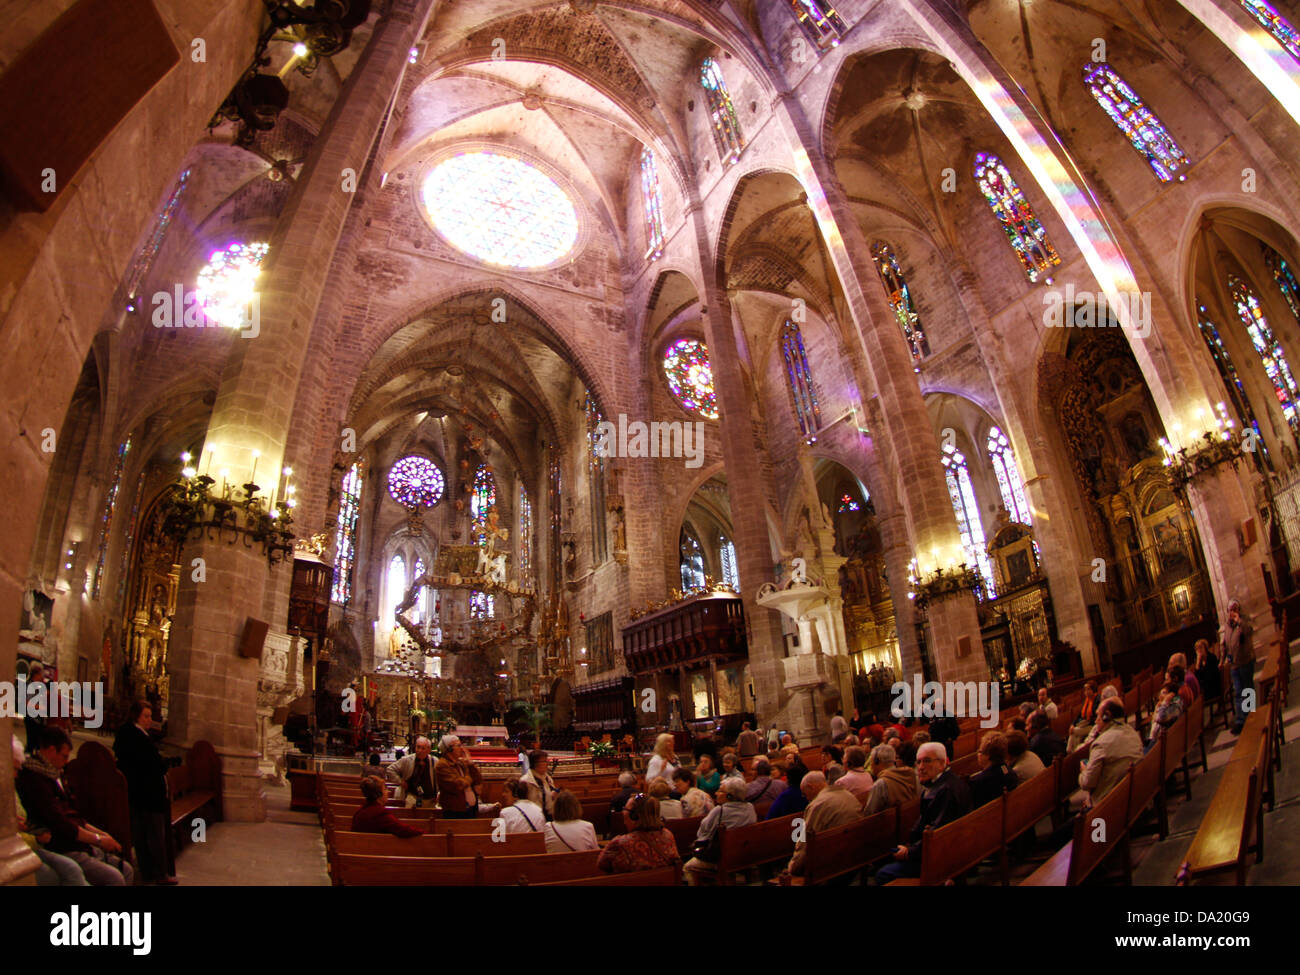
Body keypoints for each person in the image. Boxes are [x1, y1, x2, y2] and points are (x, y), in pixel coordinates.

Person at [16, 728, 133, 885]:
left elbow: (75, 815)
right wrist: (98, 840)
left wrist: (103, 835)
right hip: (62, 845)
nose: (66, 762)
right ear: (51, 751)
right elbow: (60, 823)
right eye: (64, 756)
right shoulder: (33, 779)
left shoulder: (54, 774)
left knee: (126, 869)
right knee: (113, 878)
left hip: (78, 842)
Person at [874, 742, 972, 884]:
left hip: (941, 857)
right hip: (946, 849)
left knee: (883, 874)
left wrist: (909, 852)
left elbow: (936, 832)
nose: (920, 767)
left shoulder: (945, 791)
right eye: (918, 762)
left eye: (927, 761)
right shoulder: (948, 783)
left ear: (943, 763)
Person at [112, 700, 175, 884]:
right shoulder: (136, 736)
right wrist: (164, 764)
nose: (149, 720)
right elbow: (152, 763)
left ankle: (149, 873)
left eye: (150, 716)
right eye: (146, 716)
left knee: (143, 835)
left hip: (139, 793)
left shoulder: (132, 734)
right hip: (147, 794)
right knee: (154, 835)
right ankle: (158, 874)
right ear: (136, 716)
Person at [12, 738, 87, 886]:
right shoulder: (34, 779)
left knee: (71, 868)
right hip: (22, 847)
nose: (16, 775)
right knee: (53, 876)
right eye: (14, 769)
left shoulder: (14, 787)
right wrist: (35, 837)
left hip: (33, 842)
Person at [784, 770, 864, 878]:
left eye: (805, 794)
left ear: (810, 787)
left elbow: (805, 842)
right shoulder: (847, 794)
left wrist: (793, 867)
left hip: (832, 863)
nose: (806, 798)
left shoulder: (817, 805)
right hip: (856, 854)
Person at [683, 777, 756, 885]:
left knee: (687, 867)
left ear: (729, 795)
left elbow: (702, 834)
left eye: (720, 791)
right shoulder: (750, 807)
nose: (716, 793)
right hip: (745, 854)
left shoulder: (719, 811)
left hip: (723, 859)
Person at [1078, 700, 1142, 809]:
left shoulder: (1100, 744)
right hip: (1134, 795)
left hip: (1110, 807)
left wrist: (1083, 771)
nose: (1096, 720)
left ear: (1106, 716)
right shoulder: (1132, 732)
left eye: (1098, 715)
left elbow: (1087, 783)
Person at [597, 795, 681, 873]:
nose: (623, 812)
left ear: (634, 816)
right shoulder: (667, 835)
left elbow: (601, 865)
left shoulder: (620, 843)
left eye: (625, 809)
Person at [1222, 598, 1255, 734]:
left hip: (1245, 661)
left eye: (1235, 609)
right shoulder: (1228, 626)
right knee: (1238, 692)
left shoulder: (1244, 621)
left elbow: (1248, 631)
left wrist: (1239, 621)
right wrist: (1223, 658)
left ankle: (1251, 716)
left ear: (1238, 610)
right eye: (1230, 610)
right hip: (1234, 663)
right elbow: (1226, 642)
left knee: (1248, 689)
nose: (1232, 612)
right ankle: (1241, 720)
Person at [351, 776, 424, 837]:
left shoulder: (361, 810)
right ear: (379, 794)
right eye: (385, 789)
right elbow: (402, 829)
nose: (387, 792)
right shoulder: (380, 813)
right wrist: (423, 832)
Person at [434, 735, 482, 818]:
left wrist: (470, 764)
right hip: (455, 811)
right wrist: (468, 776)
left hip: (470, 809)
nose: (462, 749)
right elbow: (458, 785)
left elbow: (478, 780)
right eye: (459, 745)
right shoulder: (442, 765)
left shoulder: (461, 763)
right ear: (449, 749)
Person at [863, 744, 918, 815]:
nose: (871, 766)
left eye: (871, 762)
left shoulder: (880, 784)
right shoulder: (908, 775)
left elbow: (869, 813)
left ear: (877, 761)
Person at [968, 731, 1019, 808]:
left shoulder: (977, 782)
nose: (978, 754)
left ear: (988, 756)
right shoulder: (1009, 772)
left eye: (980, 751)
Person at [386, 736, 438, 807]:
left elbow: (440, 779)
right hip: (412, 796)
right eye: (418, 747)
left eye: (423, 748)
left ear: (429, 750)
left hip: (430, 798)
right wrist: (400, 781)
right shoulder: (407, 760)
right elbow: (390, 769)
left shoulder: (435, 761)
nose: (419, 750)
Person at [1145, 681, 1184, 754]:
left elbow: (1161, 718)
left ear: (1171, 695)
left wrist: (1165, 702)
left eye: (1163, 693)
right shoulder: (1168, 705)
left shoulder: (1174, 706)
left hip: (1164, 744)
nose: (1160, 696)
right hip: (1159, 741)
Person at [520, 749, 557, 819]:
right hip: (534, 819)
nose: (547, 763)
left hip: (549, 817)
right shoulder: (526, 781)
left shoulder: (547, 778)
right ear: (535, 763)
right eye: (544, 761)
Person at [1068, 681, 1100, 751]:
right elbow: (1079, 715)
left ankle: (1071, 752)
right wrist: (1072, 724)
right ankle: (1071, 751)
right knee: (1075, 735)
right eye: (1085, 690)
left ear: (1093, 689)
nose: (1086, 691)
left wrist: (1086, 721)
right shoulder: (1086, 701)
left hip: (1092, 725)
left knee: (1074, 731)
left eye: (1088, 689)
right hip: (1084, 724)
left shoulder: (1097, 699)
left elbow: (1096, 715)